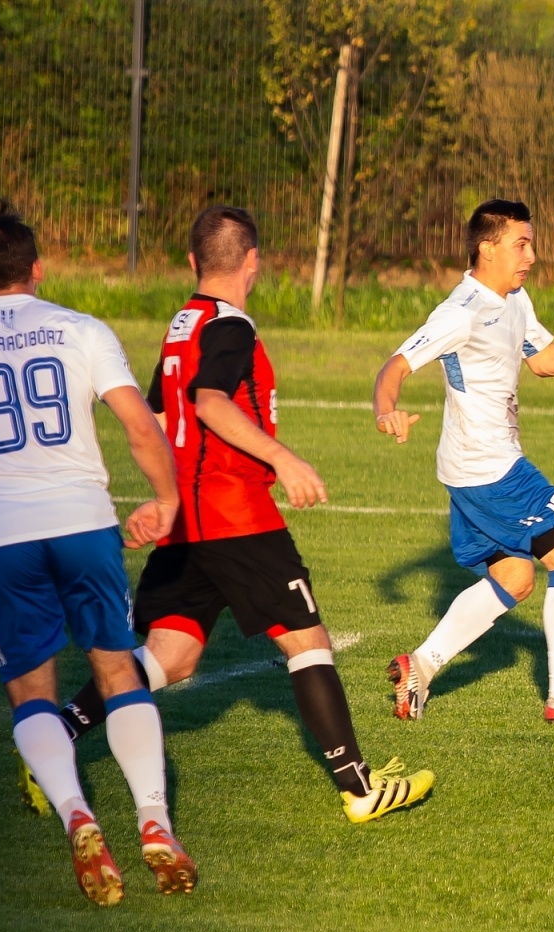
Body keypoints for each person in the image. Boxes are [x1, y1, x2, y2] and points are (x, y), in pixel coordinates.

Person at [58, 205, 433, 824]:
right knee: (307, 641)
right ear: (253, 261)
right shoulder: (231, 326)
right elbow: (207, 405)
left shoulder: (183, 325)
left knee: (172, 656)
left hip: (189, 519)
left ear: (192, 261)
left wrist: (160, 497)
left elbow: (156, 419)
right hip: (237, 513)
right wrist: (282, 458)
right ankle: (360, 788)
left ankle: (57, 733)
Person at [0, 206, 194, 906]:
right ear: (39, 269)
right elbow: (141, 426)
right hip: (84, 525)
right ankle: (153, 820)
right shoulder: (83, 331)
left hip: (1, 540)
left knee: (33, 695)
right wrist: (165, 499)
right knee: (117, 671)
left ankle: (78, 815)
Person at [373, 199, 554, 726]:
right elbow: (397, 364)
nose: (532, 256)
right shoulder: (462, 310)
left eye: (532, 243)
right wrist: (388, 410)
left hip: (471, 468)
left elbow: (541, 359)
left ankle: (420, 666)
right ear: (487, 247)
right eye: (522, 244)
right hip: (490, 466)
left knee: (516, 577)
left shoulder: (514, 298)